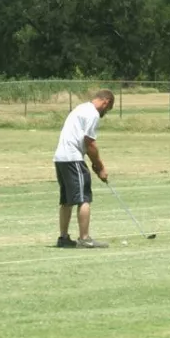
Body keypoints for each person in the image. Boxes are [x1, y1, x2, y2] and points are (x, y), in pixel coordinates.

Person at [53, 89, 115, 247]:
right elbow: (89, 142)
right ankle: (84, 238)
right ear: (106, 102)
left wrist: (94, 164)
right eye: (107, 109)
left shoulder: (81, 108)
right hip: (73, 158)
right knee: (84, 198)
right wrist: (100, 166)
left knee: (67, 200)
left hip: (60, 158)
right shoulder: (93, 114)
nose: (105, 113)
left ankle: (63, 238)